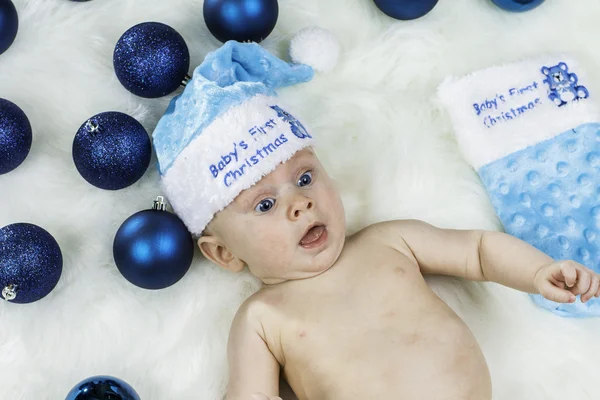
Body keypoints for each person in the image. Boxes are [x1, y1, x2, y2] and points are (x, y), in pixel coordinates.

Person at [152, 41, 600, 400]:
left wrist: (537, 271)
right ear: (224, 253)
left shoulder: (388, 241)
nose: (300, 204)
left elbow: (479, 251)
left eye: (305, 177)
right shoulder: (263, 319)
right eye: (264, 205)